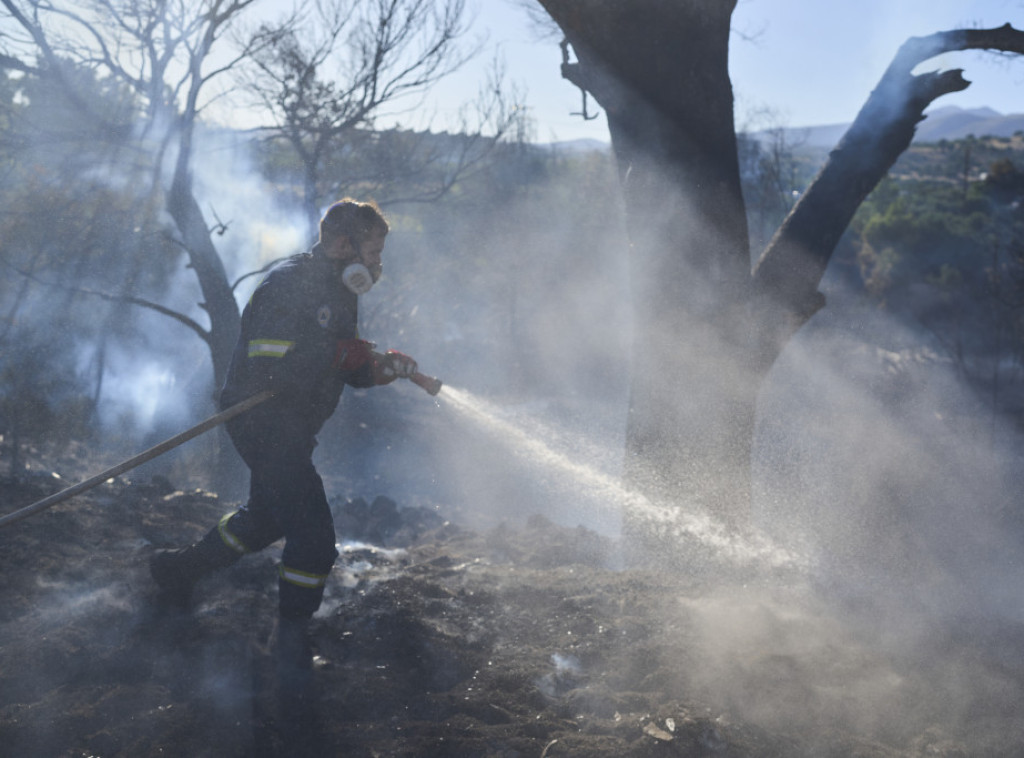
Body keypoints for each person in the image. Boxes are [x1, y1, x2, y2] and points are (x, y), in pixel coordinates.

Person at [149, 198, 417, 658]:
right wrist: (337, 356)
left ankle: (179, 571)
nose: (377, 264)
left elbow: (345, 370)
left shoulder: (341, 291)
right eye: (373, 252)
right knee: (314, 539)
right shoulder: (290, 283)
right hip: (261, 420)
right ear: (341, 243)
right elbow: (269, 359)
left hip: (291, 425)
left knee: (266, 519)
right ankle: (290, 642)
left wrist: (379, 369)